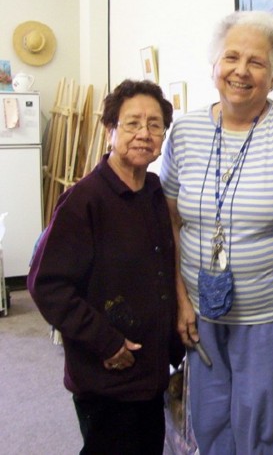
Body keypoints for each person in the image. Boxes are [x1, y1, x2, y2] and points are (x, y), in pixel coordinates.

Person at [159, 11, 273, 455]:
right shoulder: (185, 131)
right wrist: (180, 298)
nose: (241, 71)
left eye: (257, 62)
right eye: (231, 57)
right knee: (206, 422)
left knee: (258, 424)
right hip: (200, 310)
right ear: (214, 66)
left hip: (269, 313)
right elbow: (171, 221)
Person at [27, 79, 182, 454]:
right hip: (108, 371)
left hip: (149, 370)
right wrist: (106, 342)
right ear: (110, 130)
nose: (144, 134)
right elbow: (46, 284)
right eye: (132, 123)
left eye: (155, 124)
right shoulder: (84, 201)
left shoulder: (155, 193)